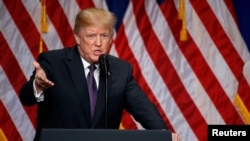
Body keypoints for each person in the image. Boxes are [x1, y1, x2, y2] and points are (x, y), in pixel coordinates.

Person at [19, 7, 180, 141]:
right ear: (77, 37)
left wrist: (164, 136)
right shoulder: (54, 61)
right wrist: (37, 87)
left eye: (104, 36)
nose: (98, 43)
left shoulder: (120, 70)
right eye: (91, 36)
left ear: (111, 39)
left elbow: (144, 110)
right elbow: (26, 97)